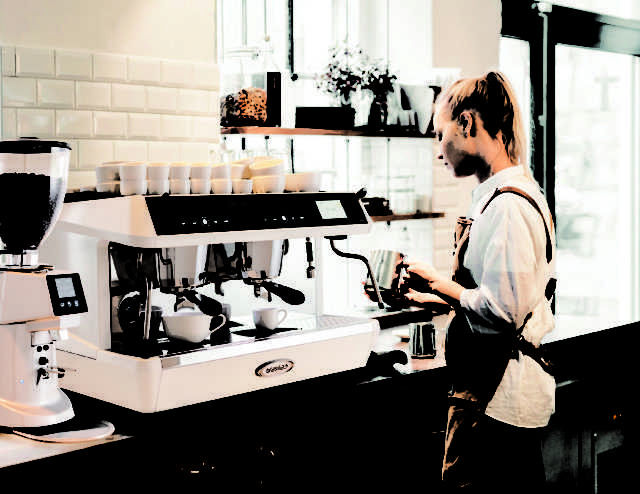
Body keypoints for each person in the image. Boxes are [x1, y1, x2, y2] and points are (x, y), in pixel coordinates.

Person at [400, 71, 556, 492]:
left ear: (467, 124)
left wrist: (440, 283)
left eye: (439, 135)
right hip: (495, 399)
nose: (439, 151)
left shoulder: (508, 206)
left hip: (497, 403)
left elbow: (503, 313)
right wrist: (437, 297)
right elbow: (503, 295)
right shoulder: (504, 196)